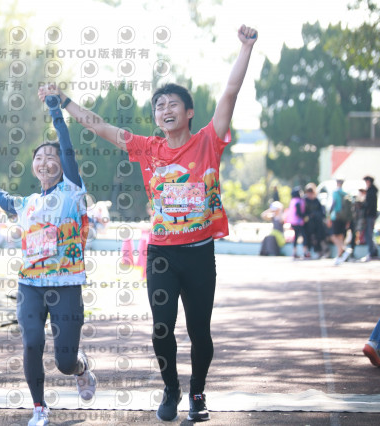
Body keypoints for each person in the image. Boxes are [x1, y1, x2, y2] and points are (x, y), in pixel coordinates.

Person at [39, 24, 258, 422]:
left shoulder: (208, 140)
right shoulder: (146, 148)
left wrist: (245, 48)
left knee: (200, 332)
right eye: (159, 106)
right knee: (162, 329)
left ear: (188, 113)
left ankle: (198, 393)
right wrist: (65, 101)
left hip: (199, 254)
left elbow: (229, 93)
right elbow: (99, 125)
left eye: (173, 104)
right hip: (161, 255)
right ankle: (171, 389)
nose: (165, 110)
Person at [0, 95, 96, 426]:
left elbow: (66, 146)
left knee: (64, 362)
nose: (45, 162)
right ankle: (40, 407)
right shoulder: (26, 203)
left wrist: (56, 111)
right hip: (30, 284)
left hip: (66, 284)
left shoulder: (72, 190)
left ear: (62, 164)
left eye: (51, 157)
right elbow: (2, 199)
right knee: (32, 343)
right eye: (39, 158)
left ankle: (81, 367)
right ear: (33, 166)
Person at [329, 178, 352, 265]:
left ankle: (344, 250)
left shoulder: (335, 192)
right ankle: (339, 256)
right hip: (344, 218)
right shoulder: (345, 193)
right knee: (340, 236)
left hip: (336, 216)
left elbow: (334, 204)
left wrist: (329, 215)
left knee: (333, 236)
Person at [303, 183, 327, 259]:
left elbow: (321, 212)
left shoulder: (316, 200)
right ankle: (308, 252)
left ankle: (318, 252)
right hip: (308, 224)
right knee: (308, 238)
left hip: (317, 223)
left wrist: (314, 214)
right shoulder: (304, 200)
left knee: (318, 238)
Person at [361, 176, 378, 261]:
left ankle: (372, 252)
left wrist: (365, 213)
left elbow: (369, 205)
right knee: (368, 234)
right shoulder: (371, 191)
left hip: (370, 216)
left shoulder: (371, 192)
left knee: (368, 234)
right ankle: (373, 251)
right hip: (371, 215)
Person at [285, 187, 305, 259]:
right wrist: (305, 217)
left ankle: (294, 252)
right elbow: (299, 212)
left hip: (293, 222)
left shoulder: (292, 201)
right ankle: (305, 252)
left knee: (295, 237)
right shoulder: (298, 201)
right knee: (303, 236)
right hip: (298, 222)